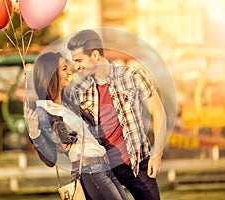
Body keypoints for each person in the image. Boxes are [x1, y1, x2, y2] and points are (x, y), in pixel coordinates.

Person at [66, 29, 168, 200]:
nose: (76, 66)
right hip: (103, 169)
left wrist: (157, 155)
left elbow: (159, 113)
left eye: (79, 60)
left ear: (96, 55)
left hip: (137, 164)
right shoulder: (80, 90)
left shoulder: (133, 76)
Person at [24, 51, 129, 200]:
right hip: (90, 170)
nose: (69, 72)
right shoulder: (44, 112)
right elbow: (51, 159)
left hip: (105, 165)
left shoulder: (69, 104)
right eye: (64, 69)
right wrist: (34, 133)